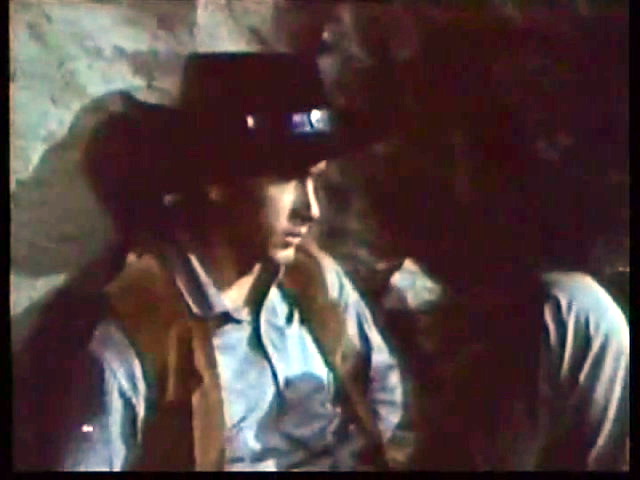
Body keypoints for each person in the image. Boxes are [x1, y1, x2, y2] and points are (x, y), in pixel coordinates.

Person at [13, 53, 407, 471]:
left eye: (313, 178)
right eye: (286, 180)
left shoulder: (312, 278)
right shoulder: (135, 341)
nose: (310, 209)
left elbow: (382, 393)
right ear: (218, 181)